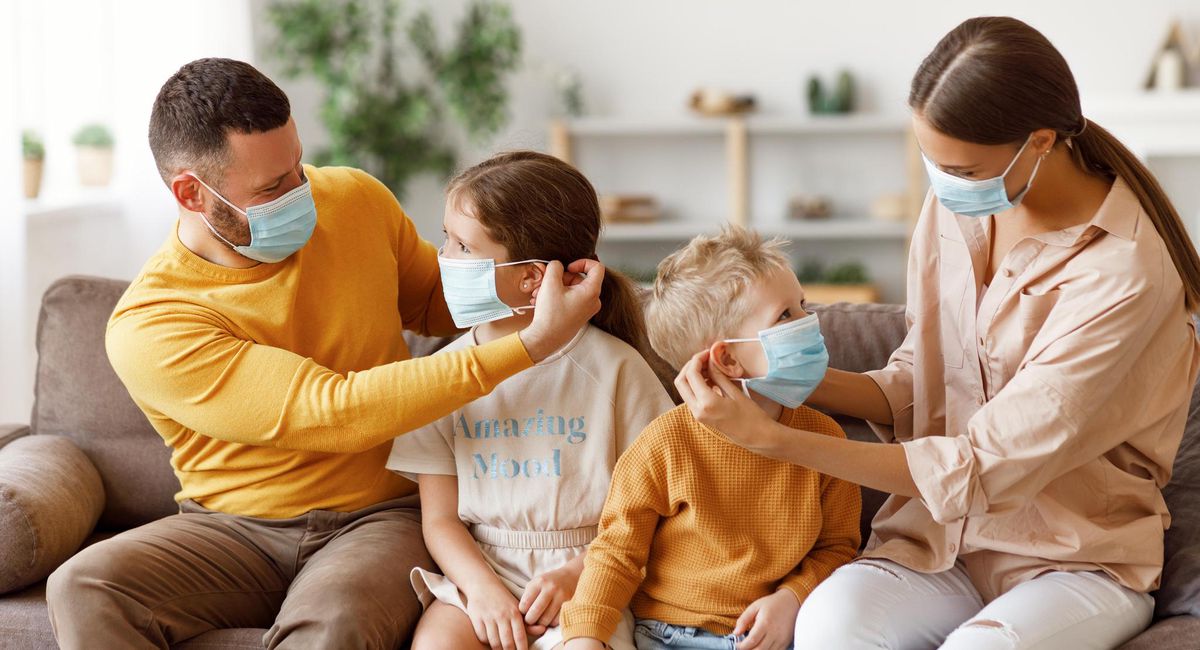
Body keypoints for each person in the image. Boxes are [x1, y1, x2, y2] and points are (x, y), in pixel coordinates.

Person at [674, 17, 1200, 649]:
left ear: (1039, 141)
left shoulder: (1127, 273)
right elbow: (919, 382)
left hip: (1074, 561)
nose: (944, 185)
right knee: (830, 622)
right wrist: (788, 377)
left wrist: (771, 441)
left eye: (964, 168)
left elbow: (985, 466)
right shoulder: (956, 205)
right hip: (938, 547)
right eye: (933, 161)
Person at [45, 58, 603, 650]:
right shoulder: (152, 325)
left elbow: (442, 305)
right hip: (233, 532)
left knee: (334, 620)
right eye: (272, 187)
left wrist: (535, 277)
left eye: (297, 165)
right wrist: (529, 345)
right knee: (83, 585)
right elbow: (334, 412)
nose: (302, 191)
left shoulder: (353, 199)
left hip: (379, 518)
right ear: (190, 192)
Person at [388, 151, 675, 650]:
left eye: (463, 245)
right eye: (447, 238)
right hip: (480, 574)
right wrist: (482, 592)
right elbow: (439, 519)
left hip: (594, 574)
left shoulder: (616, 370)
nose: (443, 258)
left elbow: (657, 510)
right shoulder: (440, 377)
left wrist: (580, 575)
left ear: (531, 277)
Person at [562, 227, 861, 650]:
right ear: (727, 358)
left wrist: (792, 598)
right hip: (666, 636)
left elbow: (838, 547)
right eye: (786, 315)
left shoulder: (823, 439)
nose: (810, 323)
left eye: (803, 306)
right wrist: (585, 637)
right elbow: (616, 553)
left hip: (774, 635)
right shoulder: (664, 444)